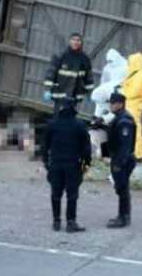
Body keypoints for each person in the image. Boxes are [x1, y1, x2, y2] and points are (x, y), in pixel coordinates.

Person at [40, 98, 92, 232]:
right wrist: (85, 167)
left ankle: (56, 222)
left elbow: (44, 146)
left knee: (56, 193)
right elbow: (86, 149)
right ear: (74, 108)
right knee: (72, 195)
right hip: (73, 165)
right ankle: (70, 222)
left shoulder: (52, 124)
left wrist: (46, 163)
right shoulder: (79, 125)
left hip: (55, 164)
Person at [104, 92, 136, 228]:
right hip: (119, 158)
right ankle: (123, 216)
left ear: (120, 104)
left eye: (113, 103)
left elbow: (125, 146)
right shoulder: (119, 118)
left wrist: (118, 163)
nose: (110, 105)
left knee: (122, 188)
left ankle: (123, 218)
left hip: (122, 160)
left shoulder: (125, 121)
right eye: (110, 103)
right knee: (121, 188)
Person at [44, 33, 94, 112]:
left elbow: (88, 77)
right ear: (69, 41)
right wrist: (47, 89)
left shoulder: (84, 58)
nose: (76, 42)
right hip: (60, 93)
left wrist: (89, 92)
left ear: (81, 42)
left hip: (75, 95)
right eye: (73, 40)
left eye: (78, 40)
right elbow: (51, 72)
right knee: (58, 116)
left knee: (70, 117)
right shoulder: (60, 55)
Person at [121, 52, 142, 161]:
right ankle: (131, 152)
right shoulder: (135, 74)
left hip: (134, 106)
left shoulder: (141, 75)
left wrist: (122, 92)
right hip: (130, 105)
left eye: (130, 62)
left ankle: (138, 154)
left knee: (134, 130)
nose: (128, 64)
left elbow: (134, 92)